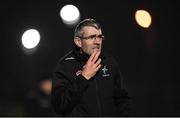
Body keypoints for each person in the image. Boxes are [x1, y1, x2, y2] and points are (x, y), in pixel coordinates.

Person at [51, 18, 131, 116]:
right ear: (78, 41)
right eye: (92, 37)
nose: (98, 42)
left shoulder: (109, 61)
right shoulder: (65, 65)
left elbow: (123, 99)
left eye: (100, 37)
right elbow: (60, 105)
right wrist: (84, 77)